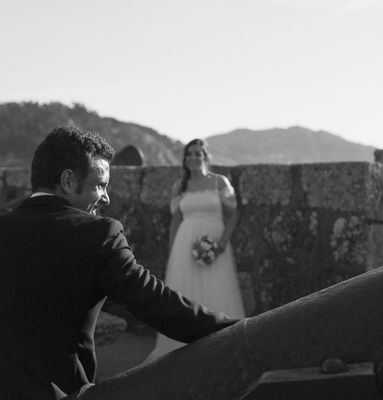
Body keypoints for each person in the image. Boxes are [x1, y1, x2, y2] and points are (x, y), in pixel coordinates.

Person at [0, 126, 239, 399]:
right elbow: (153, 300)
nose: (106, 197)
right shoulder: (99, 234)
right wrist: (234, 329)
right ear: (68, 181)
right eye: (100, 184)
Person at [144, 138, 245, 361]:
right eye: (189, 154)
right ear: (185, 159)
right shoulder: (179, 187)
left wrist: (221, 243)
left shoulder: (220, 182)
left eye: (198, 153)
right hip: (185, 243)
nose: (193, 158)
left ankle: (223, 344)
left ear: (206, 157)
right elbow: (175, 220)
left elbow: (233, 215)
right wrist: (173, 252)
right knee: (185, 292)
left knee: (217, 288)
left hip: (216, 243)